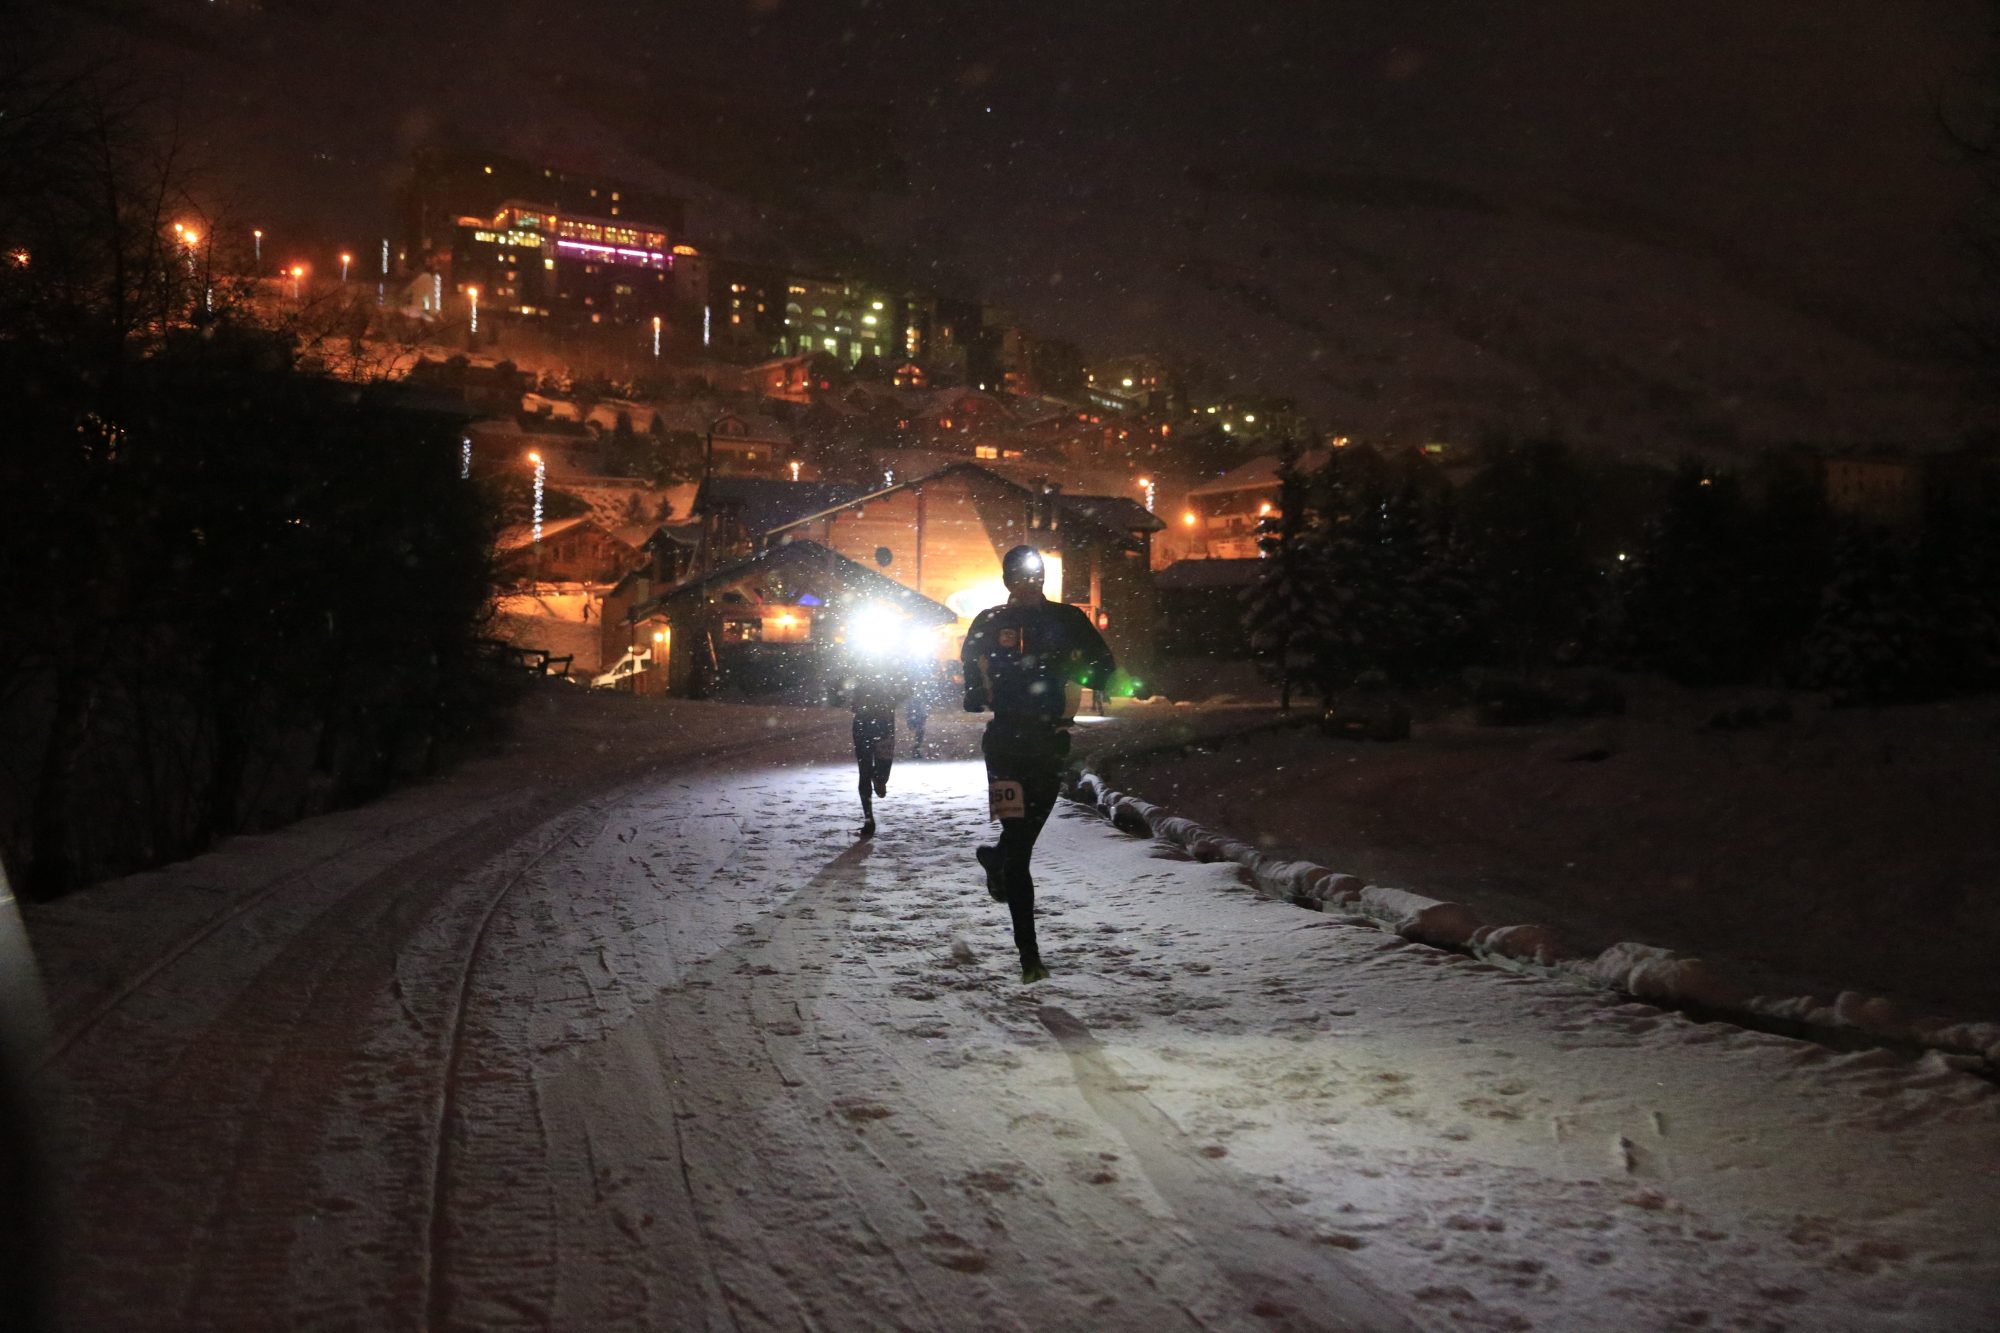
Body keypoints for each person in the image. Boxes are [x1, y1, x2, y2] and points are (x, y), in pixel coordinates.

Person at [960, 545, 1116, 983]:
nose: (1029, 583)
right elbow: (969, 657)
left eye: (1036, 576)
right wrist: (974, 688)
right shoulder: (990, 621)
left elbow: (1103, 664)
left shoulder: (1066, 620)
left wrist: (1080, 674)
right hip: (1005, 745)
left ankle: (997, 859)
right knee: (1020, 846)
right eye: (1020, 577)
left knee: (1022, 838)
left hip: (1049, 743)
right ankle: (1029, 957)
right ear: (1008, 580)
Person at [844, 658, 910, 838]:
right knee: (864, 770)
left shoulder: (891, 667)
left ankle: (879, 779)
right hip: (866, 722)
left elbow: (906, 689)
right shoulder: (861, 666)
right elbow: (846, 688)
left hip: (881, 722)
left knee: (881, 767)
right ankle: (868, 820)